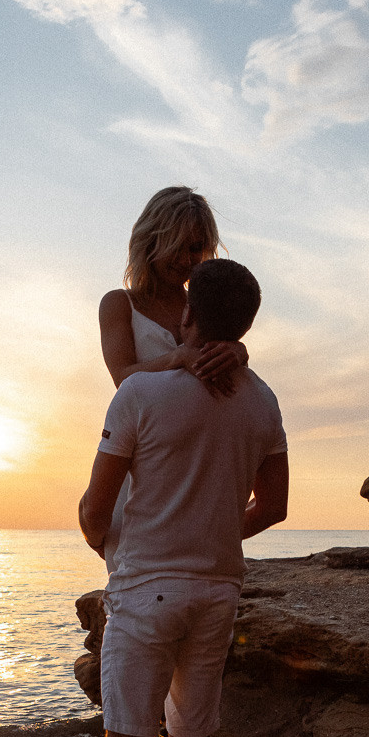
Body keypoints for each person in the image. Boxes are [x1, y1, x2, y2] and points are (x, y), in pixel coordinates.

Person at [79, 259, 289, 737]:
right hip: (218, 590)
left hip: (146, 589)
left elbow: (93, 510)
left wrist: (116, 545)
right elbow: (276, 507)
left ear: (191, 313)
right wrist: (217, 530)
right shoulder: (262, 399)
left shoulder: (142, 394)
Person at [98, 185, 249, 570]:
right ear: (151, 240)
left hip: (200, 465)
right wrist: (178, 356)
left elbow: (228, 378)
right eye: (178, 246)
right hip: (145, 459)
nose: (187, 259)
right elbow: (123, 376)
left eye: (196, 248)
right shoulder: (120, 304)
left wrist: (239, 352)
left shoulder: (203, 303)